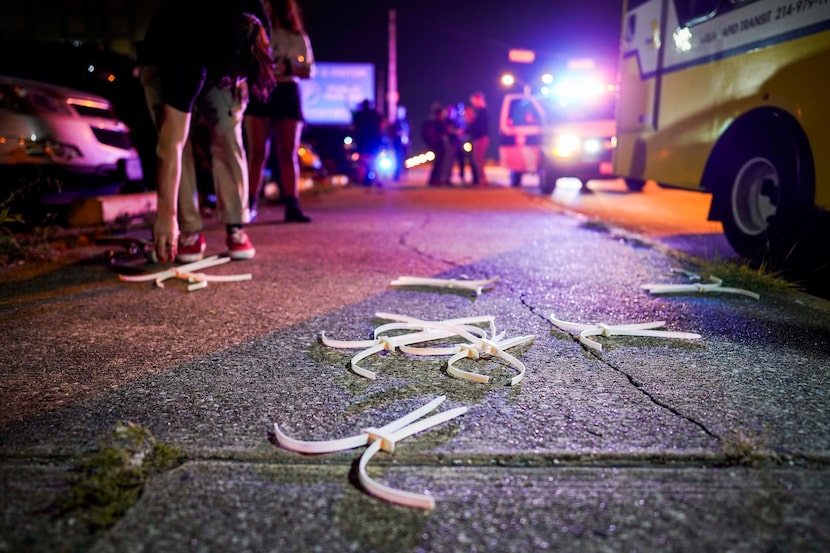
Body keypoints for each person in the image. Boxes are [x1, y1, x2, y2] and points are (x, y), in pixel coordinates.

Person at [137, 0, 275, 264]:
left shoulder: (254, 19)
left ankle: (236, 224)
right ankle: (187, 228)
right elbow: (171, 145)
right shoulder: (188, 56)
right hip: (165, 57)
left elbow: (260, 53)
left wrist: (240, 78)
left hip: (218, 47)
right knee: (179, 139)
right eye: (227, 75)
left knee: (227, 130)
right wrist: (165, 215)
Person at [245, 0, 314, 223]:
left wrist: (287, 67)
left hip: (287, 92)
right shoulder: (256, 31)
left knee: (288, 152)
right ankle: (248, 204)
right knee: (256, 153)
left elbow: (309, 69)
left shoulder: (297, 37)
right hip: (261, 88)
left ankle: (292, 204)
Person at [351, 99, 384, 184]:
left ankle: (362, 179)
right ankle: (377, 180)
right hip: (374, 142)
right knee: (375, 161)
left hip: (362, 142)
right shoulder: (375, 114)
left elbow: (354, 128)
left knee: (362, 162)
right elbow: (382, 124)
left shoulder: (359, 115)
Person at [467, 91, 490, 186]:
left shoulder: (483, 112)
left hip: (481, 138)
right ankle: (481, 179)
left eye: (474, 101)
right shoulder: (481, 111)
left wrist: (470, 120)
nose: (473, 103)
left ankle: (482, 179)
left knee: (478, 159)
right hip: (480, 137)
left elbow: (479, 126)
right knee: (478, 159)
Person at [421, 102, 446, 186]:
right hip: (438, 144)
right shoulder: (437, 122)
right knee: (438, 163)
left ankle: (435, 179)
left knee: (437, 163)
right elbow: (442, 131)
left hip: (434, 144)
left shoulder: (431, 121)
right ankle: (435, 179)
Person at [389, 105, 410, 182]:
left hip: (405, 143)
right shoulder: (395, 122)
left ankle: (403, 172)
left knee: (403, 158)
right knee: (397, 158)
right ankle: (396, 174)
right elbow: (391, 132)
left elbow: (409, 132)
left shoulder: (406, 122)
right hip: (397, 143)